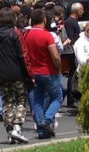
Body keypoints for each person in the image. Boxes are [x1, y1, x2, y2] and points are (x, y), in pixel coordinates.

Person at [0, 8, 31, 144]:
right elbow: (22, 55)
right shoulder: (15, 33)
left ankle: (10, 130)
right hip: (16, 72)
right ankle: (17, 127)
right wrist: (29, 74)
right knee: (20, 100)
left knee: (7, 102)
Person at [24, 9, 62, 139]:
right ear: (44, 20)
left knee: (37, 101)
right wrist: (59, 67)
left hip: (34, 72)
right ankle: (47, 120)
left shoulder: (26, 35)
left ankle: (41, 130)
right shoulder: (47, 35)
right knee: (57, 97)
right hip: (48, 71)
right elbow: (55, 56)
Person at [62, 2, 83, 108]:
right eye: (82, 10)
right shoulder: (70, 22)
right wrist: (76, 52)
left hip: (75, 50)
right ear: (77, 11)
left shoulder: (74, 21)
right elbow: (71, 38)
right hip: (72, 52)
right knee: (72, 75)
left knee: (74, 74)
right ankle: (70, 99)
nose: (83, 12)